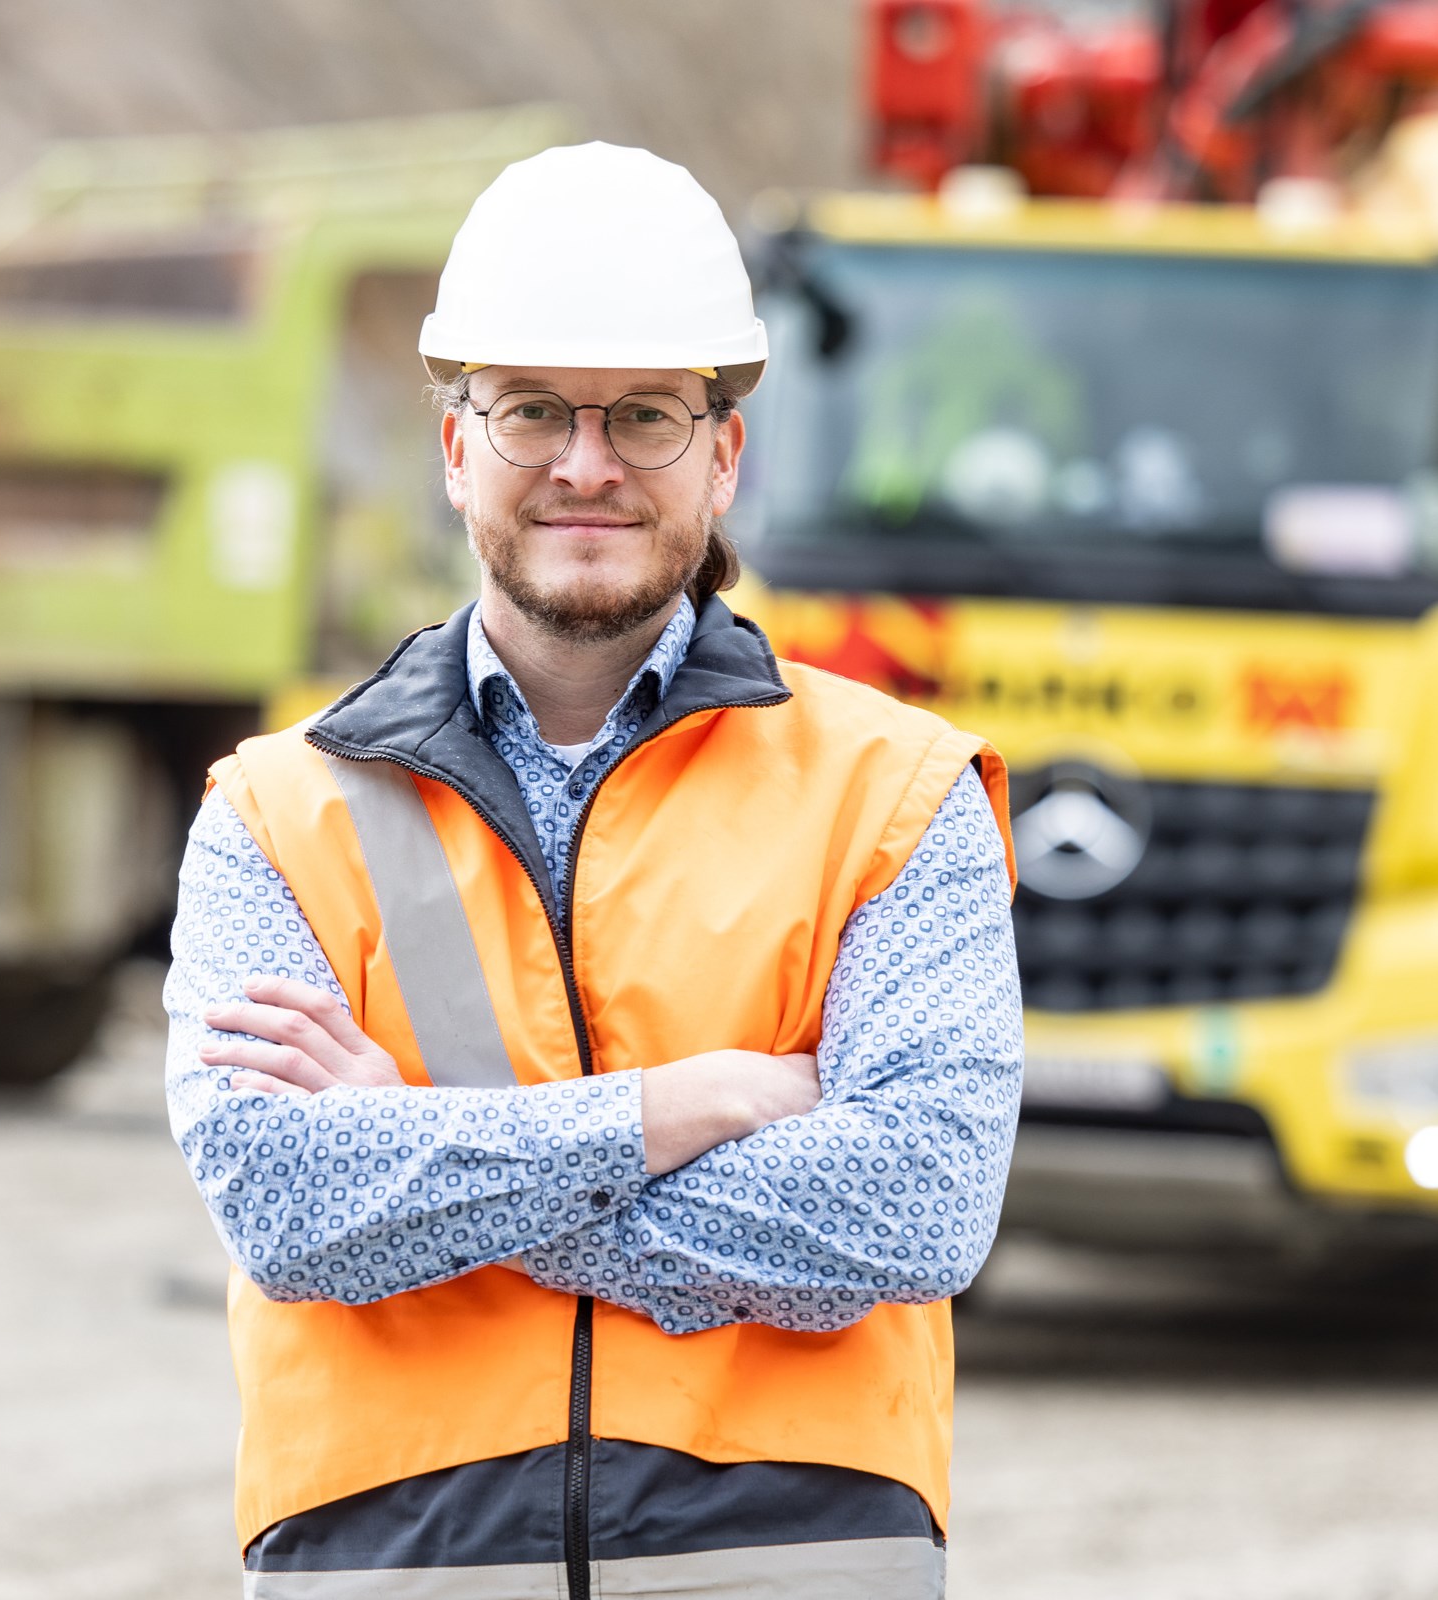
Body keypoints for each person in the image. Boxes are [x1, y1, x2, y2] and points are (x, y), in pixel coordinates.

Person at [165, 141, 1023, 1600]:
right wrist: (682, 1110)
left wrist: (428, 1162)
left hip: (791, 1551)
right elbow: (289, 1209)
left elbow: (913, 1206)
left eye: (641, 416)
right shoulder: (276, 809)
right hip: (393, 1555)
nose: (583, 465)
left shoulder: (893, 792)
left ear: (721, 453)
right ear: (453, 450)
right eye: (530, 415)